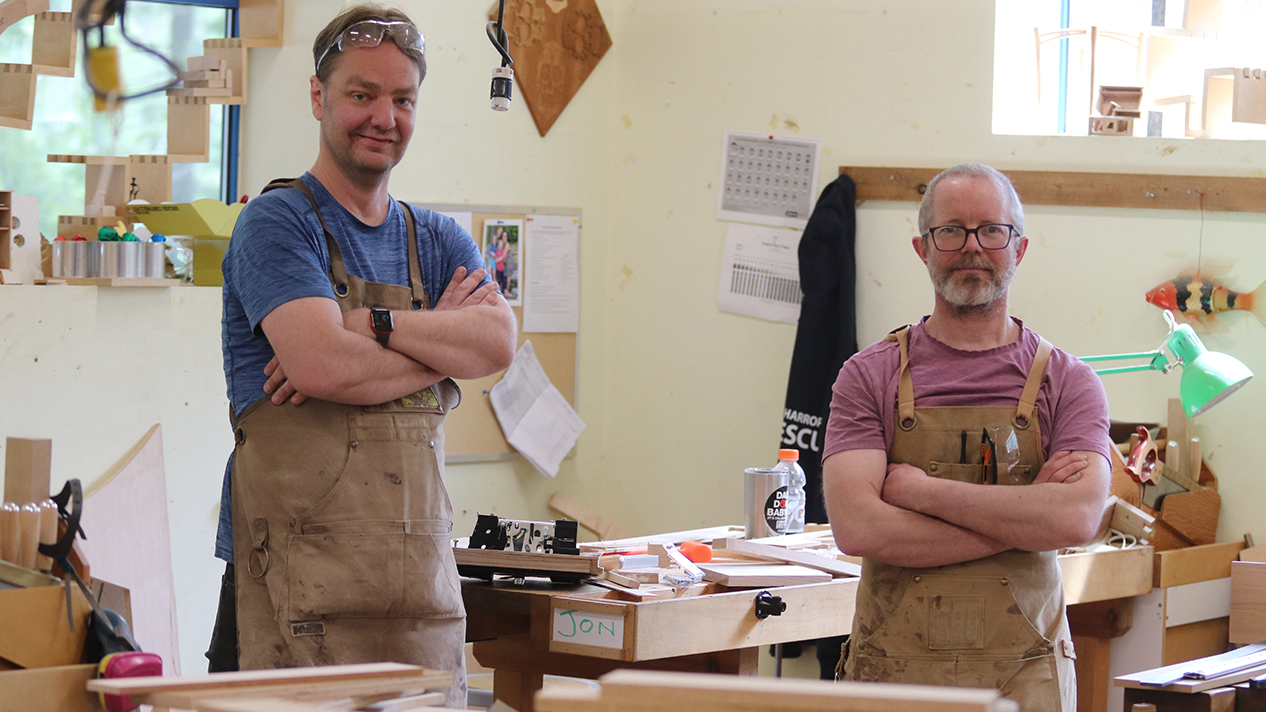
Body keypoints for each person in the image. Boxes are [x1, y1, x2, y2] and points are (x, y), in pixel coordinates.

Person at [206, 5, 517, 707]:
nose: (384, 116)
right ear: (319, 98)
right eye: (361, 94)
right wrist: (439, 340)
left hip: (417, 607)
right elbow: (321, 367)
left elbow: (497, 342)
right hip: (290, 597)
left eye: (402, 99)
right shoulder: (277, 224)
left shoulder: (434, 238)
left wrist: (369, 322)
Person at [822, 164, 1111, 712]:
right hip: (890, 679)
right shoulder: (868, 376)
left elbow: (1074, 519)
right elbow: (858, 528)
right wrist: (1028, 522)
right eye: (950, 231)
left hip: (1027, 682)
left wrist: (920, 493)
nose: (971, 247)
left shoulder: (1068, 381)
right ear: (922, 248)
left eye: (991, 231)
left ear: (1018, 248)